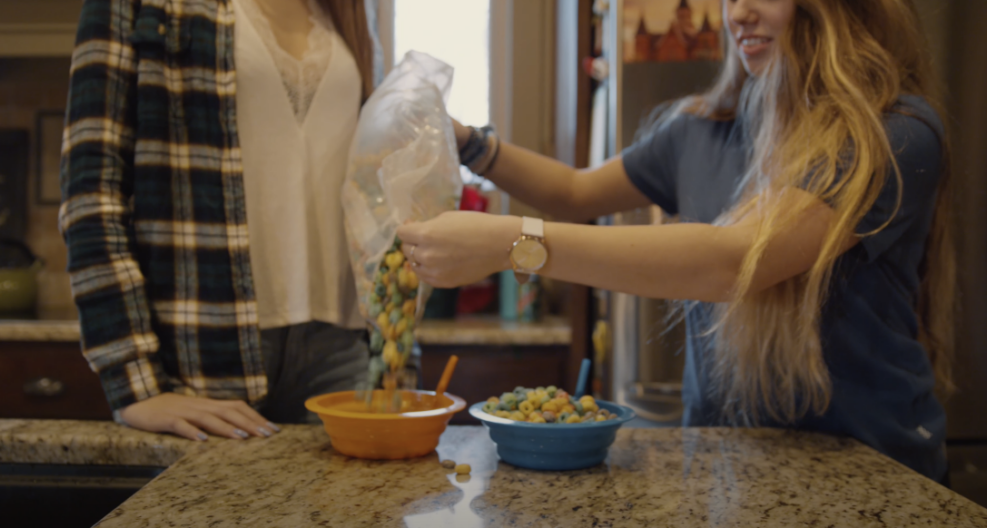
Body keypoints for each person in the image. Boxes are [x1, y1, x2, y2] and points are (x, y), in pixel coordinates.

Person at [398, 0, 954, 482]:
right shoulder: (701, 129)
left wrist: (510, 243)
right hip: (725, 463)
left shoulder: (894, 132)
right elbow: (573, 192)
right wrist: (466, 140)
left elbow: (735, 261)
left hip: (869, 467)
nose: (737, 13)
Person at [60, 0, 378, 440]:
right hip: (203, 351)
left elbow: (374, 197)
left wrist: (397, 349)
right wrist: (135, 385)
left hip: (344, 346)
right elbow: (91, 194)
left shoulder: (347, 11)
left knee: (351, 511)